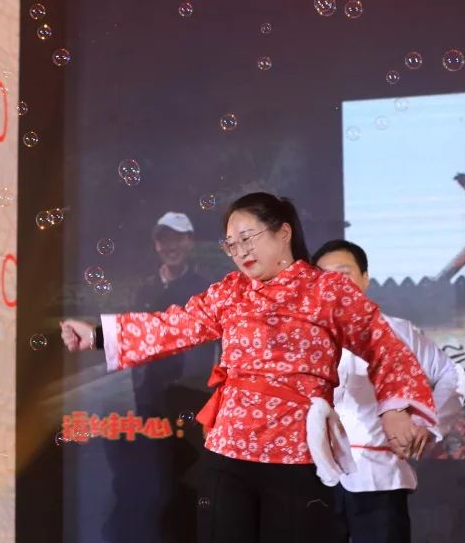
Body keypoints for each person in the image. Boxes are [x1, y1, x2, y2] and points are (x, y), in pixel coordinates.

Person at [60, 192, 438, 543]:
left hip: (296, 453)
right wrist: (97, 335)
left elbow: (384, 345)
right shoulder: (230, 291)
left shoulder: (329, 291)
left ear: (284, 232)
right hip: (229, 451)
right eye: (231, 244)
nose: (240, 251)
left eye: (247, 238)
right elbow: (175, 325)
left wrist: (396, 409)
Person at [313, 239, 465, 543]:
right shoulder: (299, 337)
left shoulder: (398, 331)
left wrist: (426, 423)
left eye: (343, 274)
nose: (334, 285)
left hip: (378, 478)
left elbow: (453, 375)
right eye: (323, 277)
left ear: (365, 279)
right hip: (311, 479)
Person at [104, 212, 213, 542]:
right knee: (157, 482)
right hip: (150, 404)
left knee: (191, 479)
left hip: (193, 401)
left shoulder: (203, 289)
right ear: (156, 244)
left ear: (190, 241)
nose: (171, 246)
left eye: (178, 238)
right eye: (164, 239)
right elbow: (135, 338)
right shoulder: (146, 289)